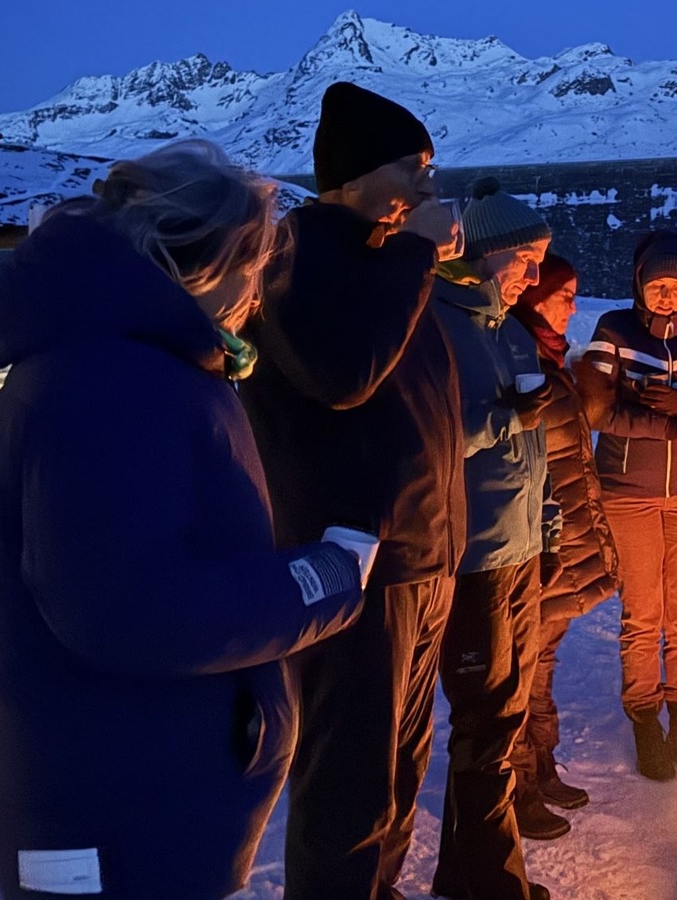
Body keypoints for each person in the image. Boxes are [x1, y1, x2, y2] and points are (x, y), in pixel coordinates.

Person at [0, 141, 370, 900]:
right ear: (207, 261)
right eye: (257, 265)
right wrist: (321, 579)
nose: (262, 291)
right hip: (118, 824)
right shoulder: (106, 382)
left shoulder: (140, 365)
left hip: (145, 810)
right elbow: (131, 609)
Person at [238, 81, 468, 900]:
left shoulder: (379, 260)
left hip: (419, 562)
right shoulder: (300, 255)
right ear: (356, 176)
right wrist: (413, 255)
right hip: (354, 570)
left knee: (400, 777)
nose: (429, 189)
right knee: (349, 789)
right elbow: (343, 375)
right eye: (415, 167)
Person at [427, 179, 559, 900]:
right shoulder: (439, 327)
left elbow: (533, 448)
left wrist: (548, 526)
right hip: (473, 555)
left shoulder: (505, 328)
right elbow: (433, 437)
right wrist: (510, 418)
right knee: (485, 722)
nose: (536, 277)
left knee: (502, 714)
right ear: (481, 258)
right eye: (526, 259)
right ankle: (491, 882)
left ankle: (470, 872)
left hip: (518, 550)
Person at [581, 230, 677, 781]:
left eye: (675, 285)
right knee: (642, 615)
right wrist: (661, 424)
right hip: (629, 494)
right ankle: (645, 718)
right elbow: (596, 413)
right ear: (639, 286)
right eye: (656, 285)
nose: (666, 295)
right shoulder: (614, 332)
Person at [507, 254, 621, 835]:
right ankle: (516, 784)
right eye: (564, 294)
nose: (574, 306)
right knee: (521, 669)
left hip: (564, 542)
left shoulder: (550, 360)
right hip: (536, 546)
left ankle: (542, 764)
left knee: (544, 662)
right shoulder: (515, 357)